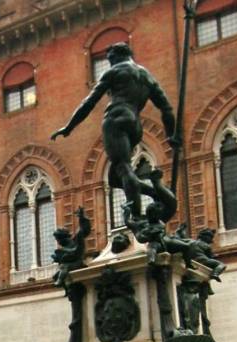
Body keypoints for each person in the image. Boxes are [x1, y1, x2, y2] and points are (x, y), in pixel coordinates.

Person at [51, 41, 177, 220]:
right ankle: (155, 193)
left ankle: (136, 217)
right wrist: (171, 135)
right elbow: (167, 109)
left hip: (115, 118)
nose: (109, 62)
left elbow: (89, 102)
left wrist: (69, 127)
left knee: (124, 169)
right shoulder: (147, 76)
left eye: (110, 59)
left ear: (117, 56)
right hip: (135, 124)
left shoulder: (115, 71)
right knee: (115, 178)